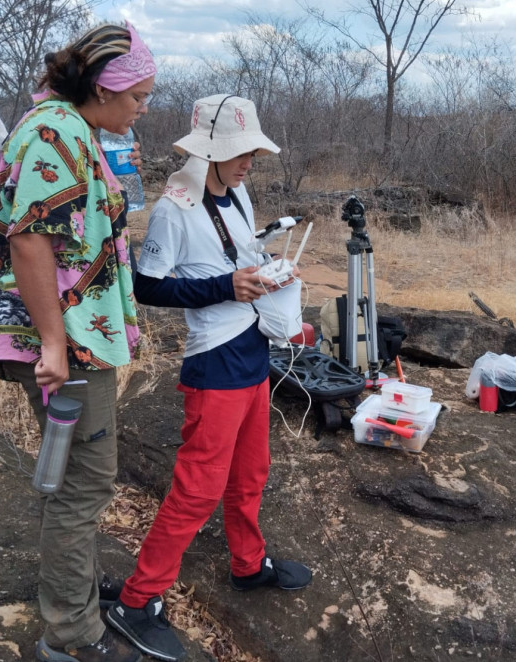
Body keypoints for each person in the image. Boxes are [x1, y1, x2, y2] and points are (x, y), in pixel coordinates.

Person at [105, 94, 312, 662]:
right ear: (209, 152)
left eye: (252, 151)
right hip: (214, 360)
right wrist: (225, 287)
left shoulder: (239, 193)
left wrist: (268, 273)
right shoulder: (175, 207)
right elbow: (147, 287)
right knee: (197, 489)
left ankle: (248, 565)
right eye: (238, 151)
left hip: (251, 351)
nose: (248, 161)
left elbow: (235, 258)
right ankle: (136, 599)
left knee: (251, 473)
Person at [0, 21, 156, 662]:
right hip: (65, 342)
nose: (142, 109)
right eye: (138, 97)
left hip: (77, 334)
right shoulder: (53, 135)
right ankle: (71, 635)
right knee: (84, 483)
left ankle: (73, 593)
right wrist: (53, 345)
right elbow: (30, 239)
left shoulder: (72, 130)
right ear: (106, 90)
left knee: (73, 480)